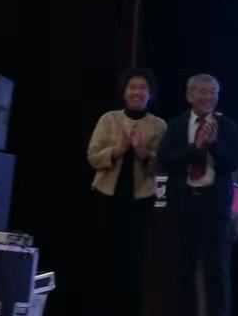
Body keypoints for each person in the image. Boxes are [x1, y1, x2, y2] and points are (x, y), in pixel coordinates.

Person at [158, 74, 238, 316]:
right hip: (184, 204)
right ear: (189, 96)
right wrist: (194, 148)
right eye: (203, 92)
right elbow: (165, 160)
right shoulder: (177, 125)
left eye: (213, 92)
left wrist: (214, 145)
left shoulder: (228, 126)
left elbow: (235, 162)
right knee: (184, 270)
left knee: (217, 271)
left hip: (216, 206)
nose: (209, 97)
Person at [87, 67, 167, 316]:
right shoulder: (108, 119)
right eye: (132, 87)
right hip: (106, 197)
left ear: (150, 94)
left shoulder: (159, 125)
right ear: (124, 92)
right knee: (103, 259)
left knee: (133, 263)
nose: (137, 92)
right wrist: (119, 149)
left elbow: (163, 168)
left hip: (141, 202)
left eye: (143, 88)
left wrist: (142, 153)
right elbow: (92, 157)